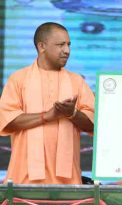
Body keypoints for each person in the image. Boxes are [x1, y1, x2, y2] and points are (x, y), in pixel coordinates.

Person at [0, 22, 95, 184]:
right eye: (60, 45)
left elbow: (94, 125)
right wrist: (47, 116)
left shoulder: (77, 81)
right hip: (24, 180)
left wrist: (72, 114)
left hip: (68, 181)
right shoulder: (18, 79)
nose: (67, 50)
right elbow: (8, 120)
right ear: (42, 46)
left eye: (69, 45)